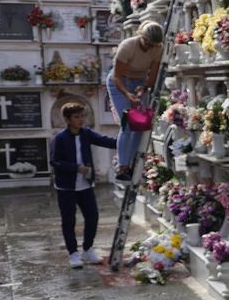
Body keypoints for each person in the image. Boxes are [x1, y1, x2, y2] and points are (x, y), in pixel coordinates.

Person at [49, 103, 118, 268]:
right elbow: (54, 161)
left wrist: (127, 140)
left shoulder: (86, 133)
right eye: (76, 117)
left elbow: (105, 141)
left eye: (82, 116)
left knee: (92, 217)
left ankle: (87, 249)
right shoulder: (59, 138)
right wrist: (75, 168)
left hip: (85, 184)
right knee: (69, 220)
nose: (81, 120)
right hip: (66, 186)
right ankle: (73, 253)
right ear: (67, 119)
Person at [107, 20, 164, 181]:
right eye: (146, 42)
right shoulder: (128, 46)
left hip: (139, 82)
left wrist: (144, 88)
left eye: (152, 44)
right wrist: (127, 94)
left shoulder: (158, 49)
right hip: (120, 83)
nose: (149, 47)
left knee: (139, 126)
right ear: (140, 35)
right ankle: (122, 166)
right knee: (127, 125)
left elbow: (152, 75)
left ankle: (132, 163)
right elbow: (117, 77)